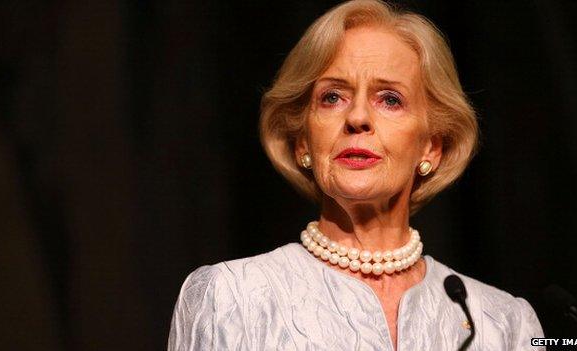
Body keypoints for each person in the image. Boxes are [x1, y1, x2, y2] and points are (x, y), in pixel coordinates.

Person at [168, 0, 545, 350]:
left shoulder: (505, 324)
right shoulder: (231, 297)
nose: (357, 118)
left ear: (432, 147)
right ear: (302, 142)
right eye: (333, 97)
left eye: (390, 99)